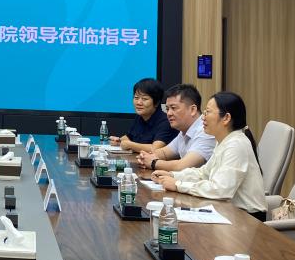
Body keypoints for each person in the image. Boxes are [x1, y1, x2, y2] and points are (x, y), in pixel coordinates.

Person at [152, 91, 267, 220]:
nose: (203, 117)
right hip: (227, 211)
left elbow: (220, 190)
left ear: (226, 118)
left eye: (208, 112)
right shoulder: (224, 140)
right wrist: (173, 175)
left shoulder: (236, 144)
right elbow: (204, 173)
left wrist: (178, 185)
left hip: (248, 218)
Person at [137, 84, 215, 172]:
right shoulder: (184, 130)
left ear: (192, 110)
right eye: (167, 109)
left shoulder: (206, 131)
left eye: (173, 108)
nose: (169, 113)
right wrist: (145, 157)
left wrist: (153, 163)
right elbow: (164, 153)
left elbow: (183, 166)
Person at [113, 77, 176, 153]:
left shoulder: (165, 121)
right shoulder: (140, 116)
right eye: (136, 98)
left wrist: (130, 145)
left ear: (156, 102)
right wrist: (119, 140)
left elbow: (155, 149)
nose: (139, 103)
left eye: (144, 99)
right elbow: (129, 137)